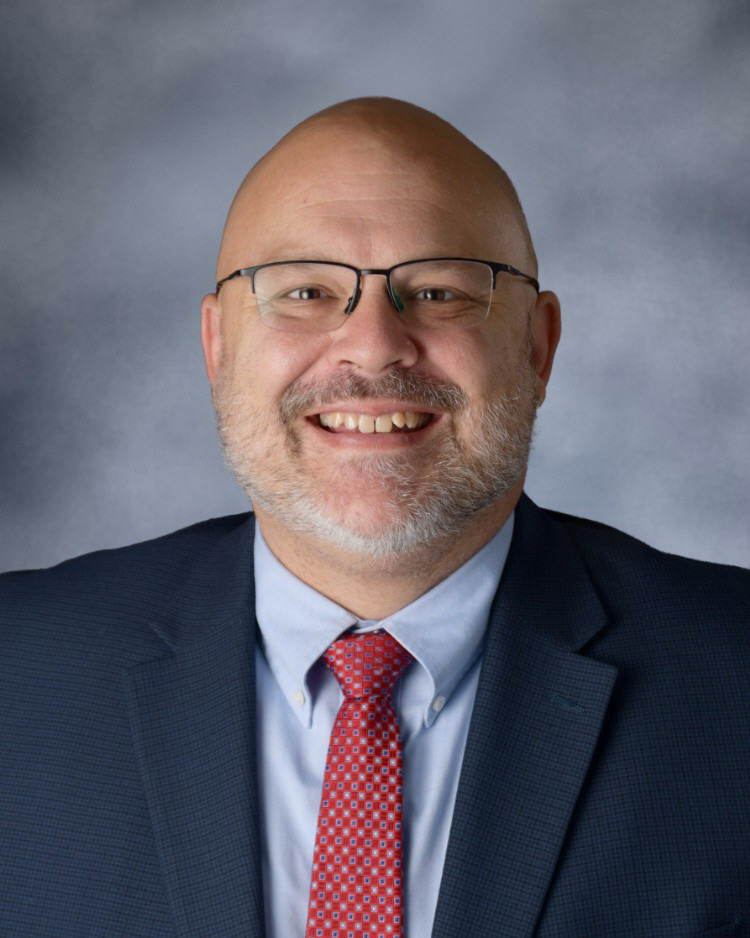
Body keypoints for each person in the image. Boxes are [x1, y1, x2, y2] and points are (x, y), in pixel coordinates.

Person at [1, 97, 748, 938]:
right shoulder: (16, 674)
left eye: (438, 291)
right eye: (306, 291)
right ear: (217, 346)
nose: (373, 345)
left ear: (538, 348)